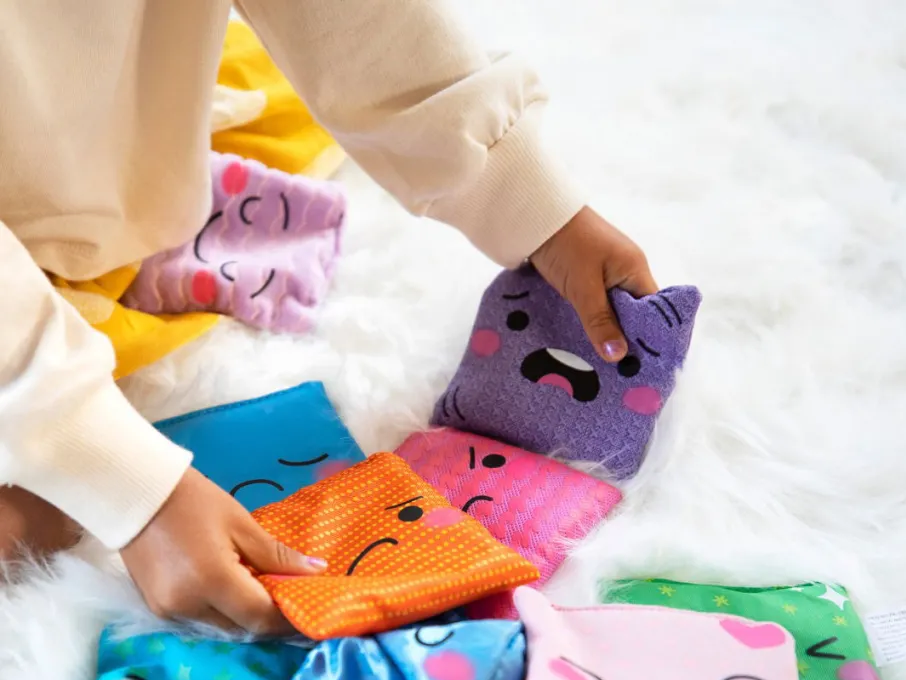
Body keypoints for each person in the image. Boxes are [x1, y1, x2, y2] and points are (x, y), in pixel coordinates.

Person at [0, 0, 657, 634]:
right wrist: (123, 479)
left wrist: (529, 200)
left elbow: (361, 24)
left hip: (97, 167)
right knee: (28, 519)